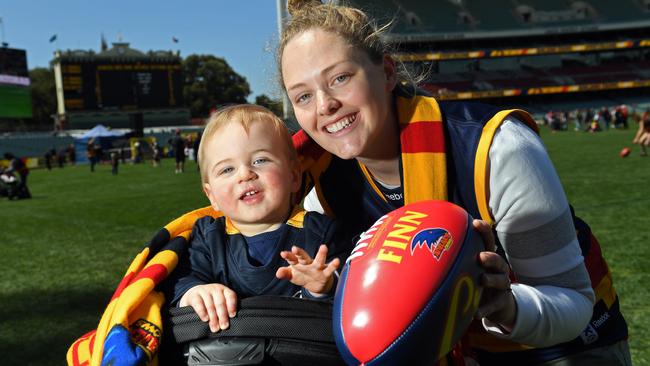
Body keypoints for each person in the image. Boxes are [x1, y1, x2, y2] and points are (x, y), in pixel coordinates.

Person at [278, 1, 628, 365]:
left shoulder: (496, 148)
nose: (324, 105)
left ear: (386, 72)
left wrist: (504, 305)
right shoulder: (324, 184)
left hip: (567, 348)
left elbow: (572, 302)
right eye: (303, 95)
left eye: (340, 78)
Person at [164, 104, 346, 334]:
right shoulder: (207, 236)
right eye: (227, 169)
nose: (245, 174)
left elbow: (356, 297)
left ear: (293, 176)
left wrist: (322, 286)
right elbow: (176, 281)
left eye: (260, 160)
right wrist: (194, 292)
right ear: (212, 197)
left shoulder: (322, 233)